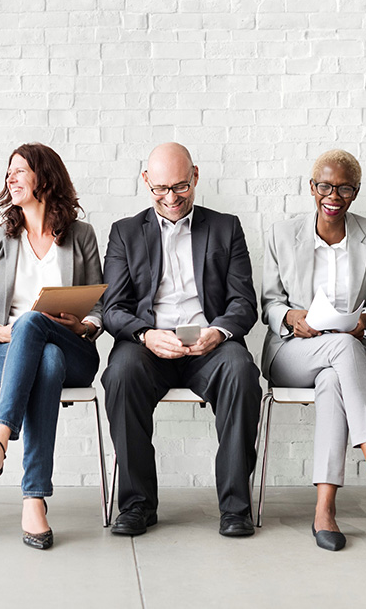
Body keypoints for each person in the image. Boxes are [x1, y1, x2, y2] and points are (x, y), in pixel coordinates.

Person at [101, 142, 261, 538]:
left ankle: (235, 507)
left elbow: (244, 302)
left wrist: (218, 332)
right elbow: (112, 308)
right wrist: (146, 334)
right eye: (160, 189)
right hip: (148, 343)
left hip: (210, 342)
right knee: (119, 375)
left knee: (242, 372)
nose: (170, 198)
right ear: (145, 182)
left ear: (195, 176)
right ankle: (138, 504)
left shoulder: (226, 227)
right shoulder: (124, 232)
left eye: (180, 187)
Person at [261, 149, 366, 551]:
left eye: (344, 187)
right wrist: (291, 317)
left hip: (349, 357)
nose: (333, 195)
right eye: (324, 185)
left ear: (355, 192)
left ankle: (324, 509)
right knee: (338, 350)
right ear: (312, 188)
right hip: (293, 352)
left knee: (332, 381)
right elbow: (268, 303)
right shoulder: (281, 233)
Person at [0, 143, 103, 550]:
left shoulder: (81, 235)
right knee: (44, 355)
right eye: (9, 172)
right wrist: (1, 332)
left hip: (73, 344)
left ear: (45, 177)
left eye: (20, 170)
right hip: (10, 353)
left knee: (43, 333)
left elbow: (101, 305)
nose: (11, 178)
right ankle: (34, 499)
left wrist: (85, 323)